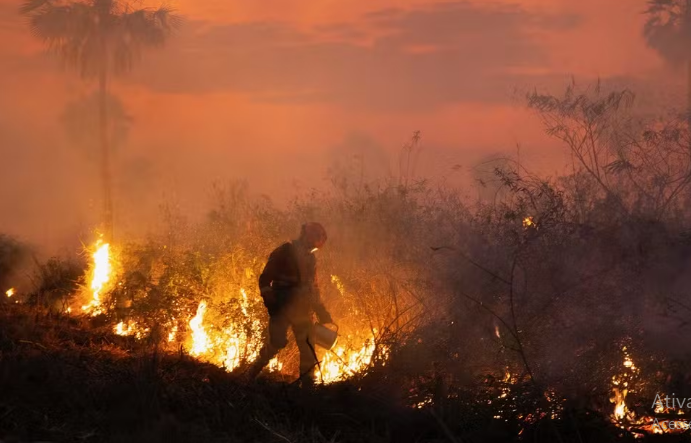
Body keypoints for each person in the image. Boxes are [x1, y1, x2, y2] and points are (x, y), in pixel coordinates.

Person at [246, 222, 333, 386]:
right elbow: (264, 279)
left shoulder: (311, 258)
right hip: (282, 306)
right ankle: (250, 374)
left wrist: (321, 311)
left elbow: (312, 287)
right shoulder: (284, 251)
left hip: (302, 310)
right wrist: (272, 305)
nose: (316, 247)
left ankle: (308, 387)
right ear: (308, 237)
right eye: (316, 240)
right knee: (276, 343)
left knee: (308, 348)